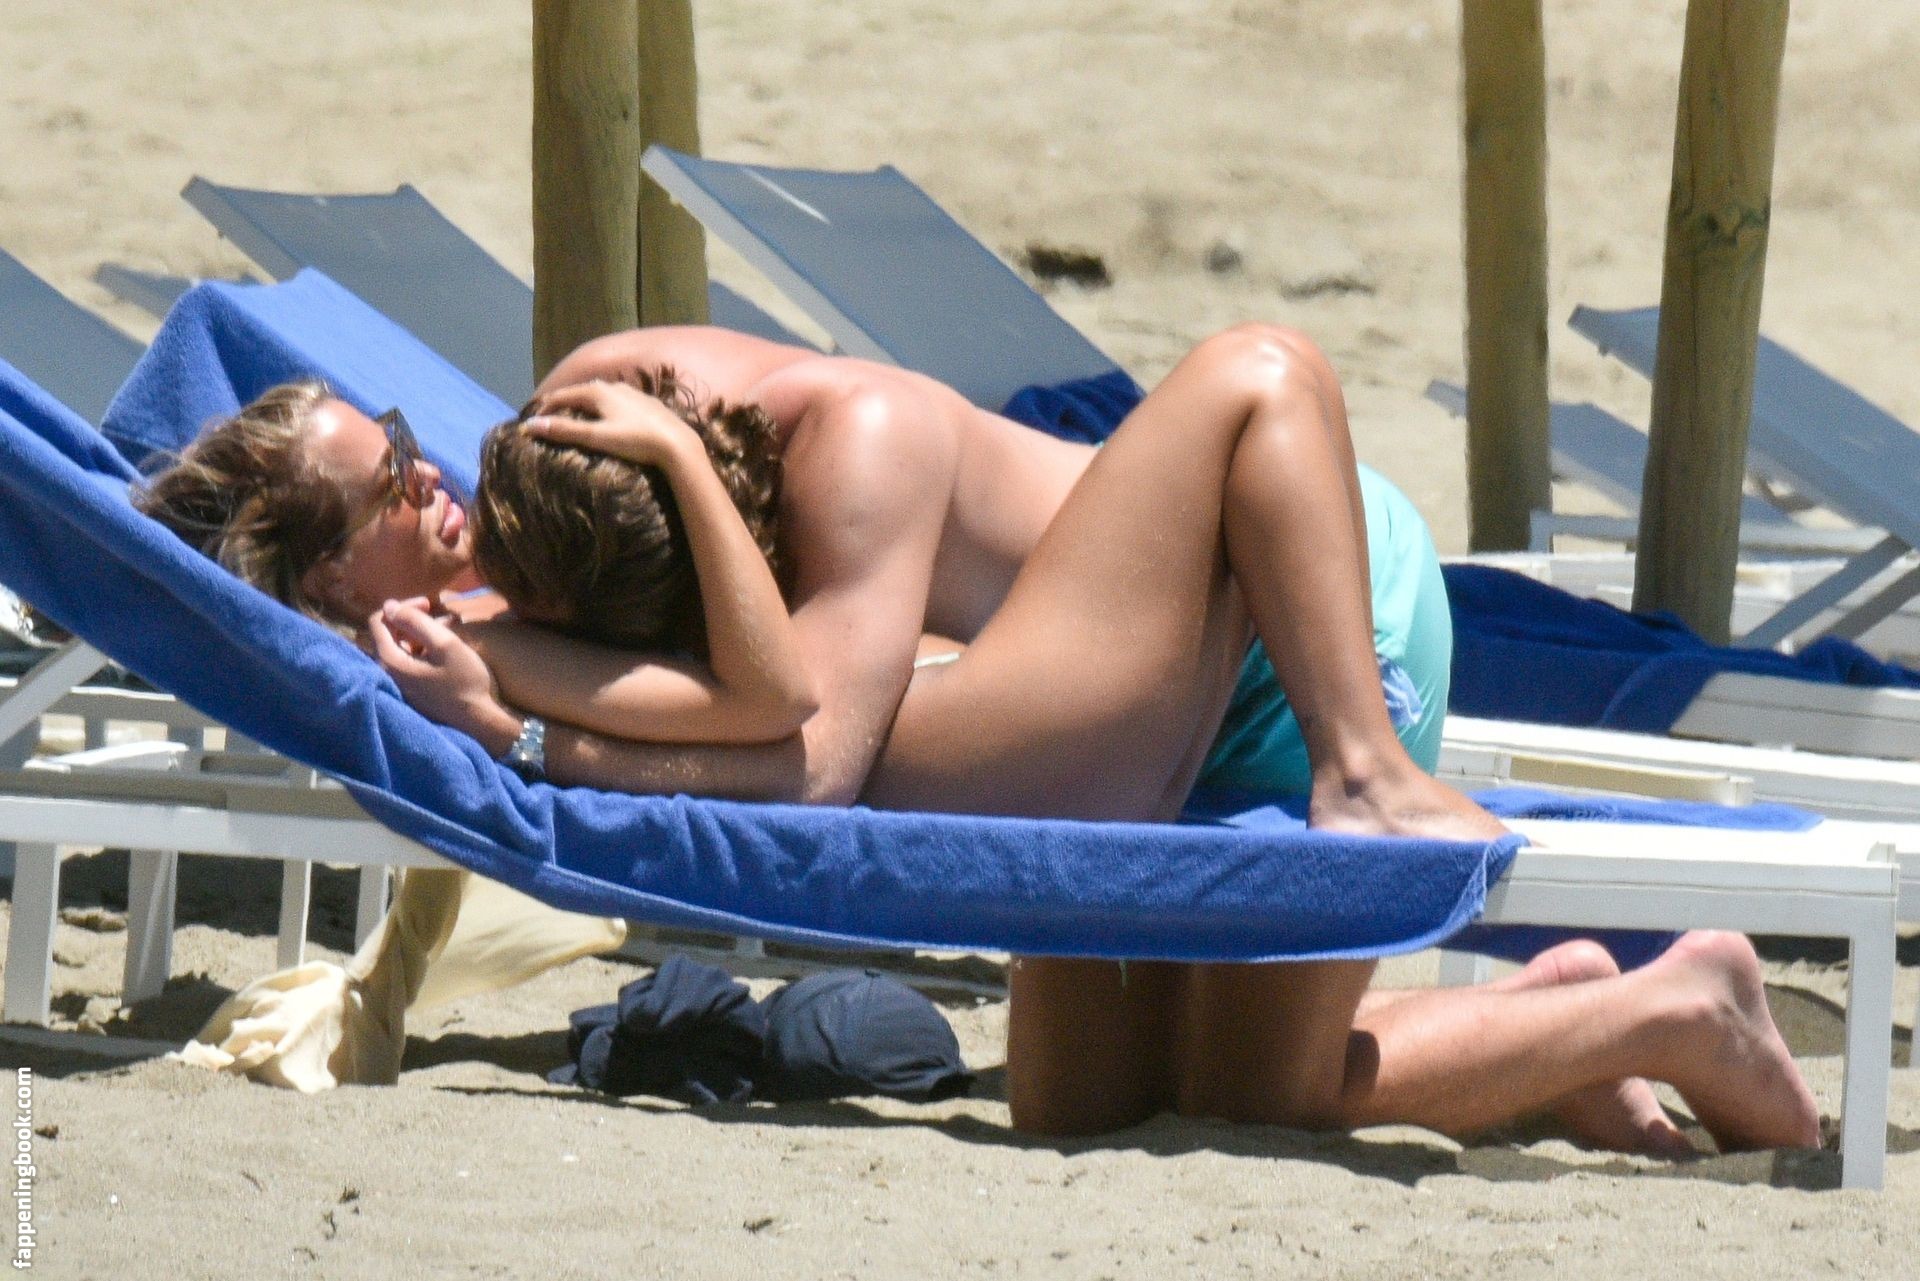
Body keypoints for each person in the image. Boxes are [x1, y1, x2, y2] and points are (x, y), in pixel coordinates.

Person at [137, 323, 1817, 1156]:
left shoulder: (841, 447)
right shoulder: (535, 555)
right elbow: (734, 707)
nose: (438, 472)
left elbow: (805, 758)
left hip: (1297, 613)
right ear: (325, 576)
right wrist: (512, 691)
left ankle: (1662, 993)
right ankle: (1563, 1015)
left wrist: (531, 731)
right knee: (1089, 1112)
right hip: (1093, 695)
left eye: (408, 442)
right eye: (390, 483)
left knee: (1267, 1091)